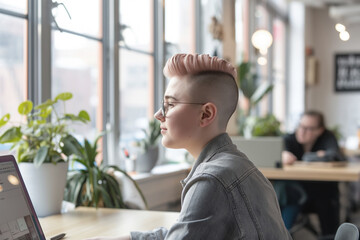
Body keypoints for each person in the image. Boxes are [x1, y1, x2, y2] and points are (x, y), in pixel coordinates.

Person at [88, 53, 291, 240]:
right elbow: (186, 230)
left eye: (170, 105)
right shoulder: (236, 165)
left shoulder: (212, 179)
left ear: (206, 114)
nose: (159, 114)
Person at [280, 110, 344, 236]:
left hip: (323, 193)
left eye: (308, 128)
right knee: (284, 196)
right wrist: (282, 155)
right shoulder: (289, 138)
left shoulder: (327, 137)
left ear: (320, 130)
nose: (302, 131)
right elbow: (280, 153)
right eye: (301, 126)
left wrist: (307, 157)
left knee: (327, 199)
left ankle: (330, 236)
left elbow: (334, 155)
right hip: (297, 193)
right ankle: (281, 234)